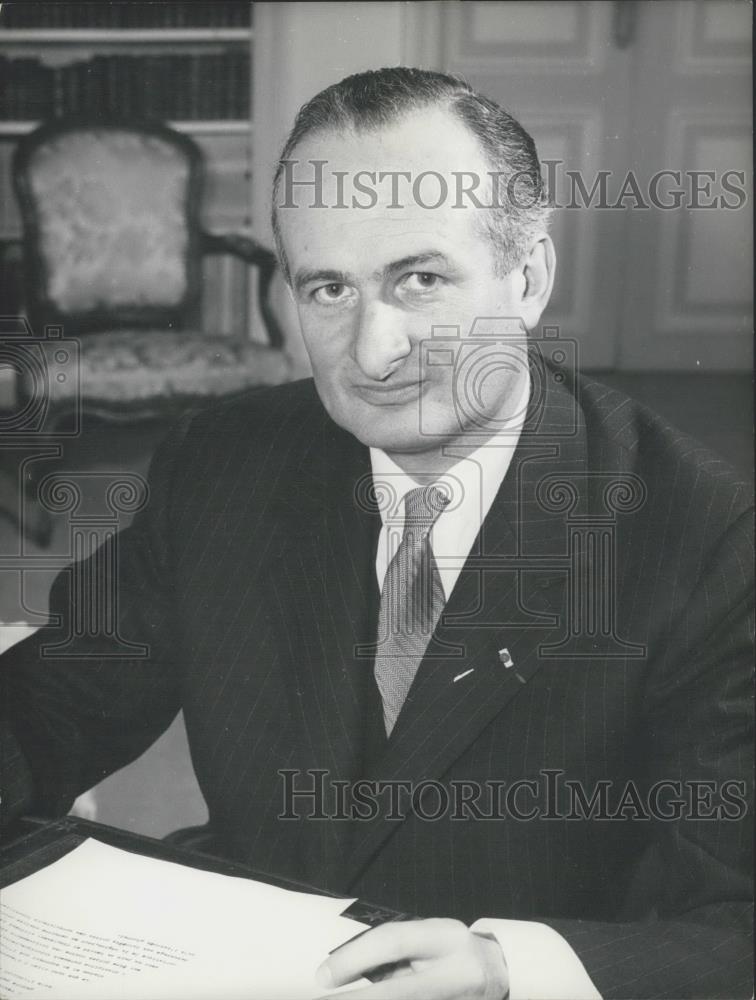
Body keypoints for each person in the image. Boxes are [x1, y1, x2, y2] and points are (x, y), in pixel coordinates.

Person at [1, 69, 752, 1000]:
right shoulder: (224, 459)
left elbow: (736, 918)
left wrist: (511, 972)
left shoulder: (713, 537)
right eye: (328, 289)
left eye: (421, 279)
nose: (372, 351)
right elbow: (59, 698)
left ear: (529, 277)